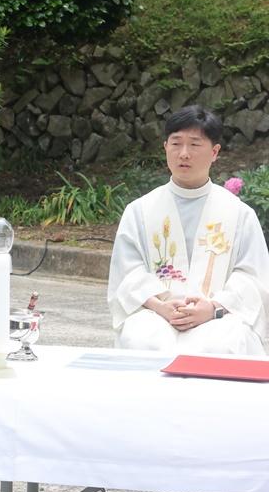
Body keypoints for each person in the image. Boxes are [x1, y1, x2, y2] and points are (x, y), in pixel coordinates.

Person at [108, 105, 269, 354]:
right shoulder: (139, 210)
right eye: (176, 143)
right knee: (140, 338)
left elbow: (252, 277)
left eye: (195, 145)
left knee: (226, 341)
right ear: (165, 148)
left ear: (214, 152)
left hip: (218, 316)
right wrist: (160, 306)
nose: (184, 154)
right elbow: (127, 273)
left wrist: (213, 307)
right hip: (158, 313)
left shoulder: (238, 214)